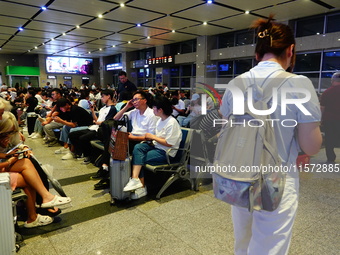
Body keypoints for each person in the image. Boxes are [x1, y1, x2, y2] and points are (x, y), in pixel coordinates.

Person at [215, 15, 322, 255]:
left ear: (257, 53)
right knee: (269, 246)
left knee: (242, 240)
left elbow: (226, 131)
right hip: (277, 180)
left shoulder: (235, 84)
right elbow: (311, 146)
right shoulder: (299, 84)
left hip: (237, 177)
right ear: (291, 50)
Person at [0, 111, 71, 228]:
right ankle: (40, 205)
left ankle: (42, 202)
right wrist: (9, 160)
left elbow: (15, 146)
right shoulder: (5, 131)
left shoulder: (9, 132)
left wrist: (22, 148)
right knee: (28, 173)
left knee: (28, 162)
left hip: (5, 165)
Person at [92, 90, 158, 190]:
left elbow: (151, 137)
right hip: (131, 139)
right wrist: (127, 106)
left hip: (142, 142)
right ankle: (107, 173)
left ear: (144, 100)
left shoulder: (152, 115)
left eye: (137, 99)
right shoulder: (134, 112)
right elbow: (115, 118)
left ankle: (105, 172)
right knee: (112, 143)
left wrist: (133, 137)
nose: (134, 102)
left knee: (114, 147)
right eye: (133, 100)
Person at [123, 96, 182, 199]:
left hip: (166, 152)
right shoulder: (160, 120)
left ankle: (141, 187)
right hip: (156, 147)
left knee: (139, 159)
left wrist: (152, 137)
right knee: (138, 147)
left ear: (160, 110)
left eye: (154, 108)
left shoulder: (172, 122)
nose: (153, 109)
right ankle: (135, 179)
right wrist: (149, 139)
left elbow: (169, 143)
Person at [68, 89, 117, 164]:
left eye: (103, 96)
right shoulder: (103, 108)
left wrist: (97, 123)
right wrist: (93, 111)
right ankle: (80, 153)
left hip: (100, 130)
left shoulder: (112, 109)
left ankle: (89, 156)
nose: (101, 98)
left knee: (83, 138)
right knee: (72, 134)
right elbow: (97, 120)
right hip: (95, 127)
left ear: (108, 96)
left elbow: (107, 123)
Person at [320, 72, 340, 163]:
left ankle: (331, 158)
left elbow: (322, 108)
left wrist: (320, 120)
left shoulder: (326, 92)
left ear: (332, 81)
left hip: (330, 120)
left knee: (329, 139)